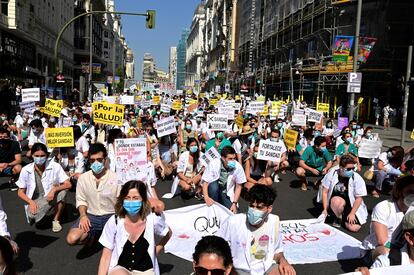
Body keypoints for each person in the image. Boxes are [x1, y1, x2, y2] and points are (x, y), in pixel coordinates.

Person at [218, 185, 296, 275]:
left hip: (264, 268)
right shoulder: (233, 222)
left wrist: (283, 261)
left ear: (269, 208)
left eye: (259, 207)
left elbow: (277, 251)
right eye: (251, 205)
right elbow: (216, 247)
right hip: (238, 269)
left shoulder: (274, 222)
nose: (253, 210)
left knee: (285, 272)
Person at [98, 180, 172, 275]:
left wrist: (156, 250)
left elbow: (168, 233)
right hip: (121, 268)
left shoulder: (152, 220)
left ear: (143, 200)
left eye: (135, 198)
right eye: (127, 198)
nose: (131, 202)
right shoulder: (115, 221)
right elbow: (105, 256)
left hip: (146, 270)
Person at [66, 143, 121, 250]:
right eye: (92, 160)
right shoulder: (83, 178)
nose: (96, 163)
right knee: (72, 238)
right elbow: (81, 200)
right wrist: (83, 216)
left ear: (105, 159)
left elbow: (122, 201)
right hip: (91, 216)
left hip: (111, 216)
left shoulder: (116, 178)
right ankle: (91, 236)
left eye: (99, 160)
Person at [16, 143, 71, 232]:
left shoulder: (55, 166)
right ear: (32, 155)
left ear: (47, 155)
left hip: (50, 195)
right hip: (35, 199)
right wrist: (30, 202)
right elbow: (20, 192)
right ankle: (50, 210)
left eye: (42, 155)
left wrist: (54, 189)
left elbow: (68, 184)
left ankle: (56, 220)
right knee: (37, 220)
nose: (39, 158)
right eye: (36, 155)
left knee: (63, 192)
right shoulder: (26, 170)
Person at [361, 176, 414, 266]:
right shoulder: (384, 207)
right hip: (377, 248)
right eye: (410, 192)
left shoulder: (412, 208)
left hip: (402, 249)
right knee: (387, 253)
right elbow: (382, 241)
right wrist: (399, 254)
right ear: (399, 192)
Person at [320, 155, 368, 231]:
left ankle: (344, 216)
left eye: (353, 168)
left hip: (351, 205)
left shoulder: (357, 178)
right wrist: (325, 209)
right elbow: (325, 192)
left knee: (354, 228)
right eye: (349, 169)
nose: (352, 170)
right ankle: (337, 217)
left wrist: (352, 213)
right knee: (336, 201)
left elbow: (359, 198)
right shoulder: (332, 174)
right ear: (341, 168)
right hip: (337, 202)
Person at [201, 146, 246, 213]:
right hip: (214, 190)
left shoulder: (238, 166)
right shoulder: (214, 163)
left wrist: (234, 203)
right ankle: (214, 206)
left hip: (226, 193)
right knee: (214, 186)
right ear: (223, 158)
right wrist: (206, 197)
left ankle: (222, 203)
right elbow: (205, 182)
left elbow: (239, 186)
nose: (233, 161)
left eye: (234, 158)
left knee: (234, 213)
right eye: (230, 159)